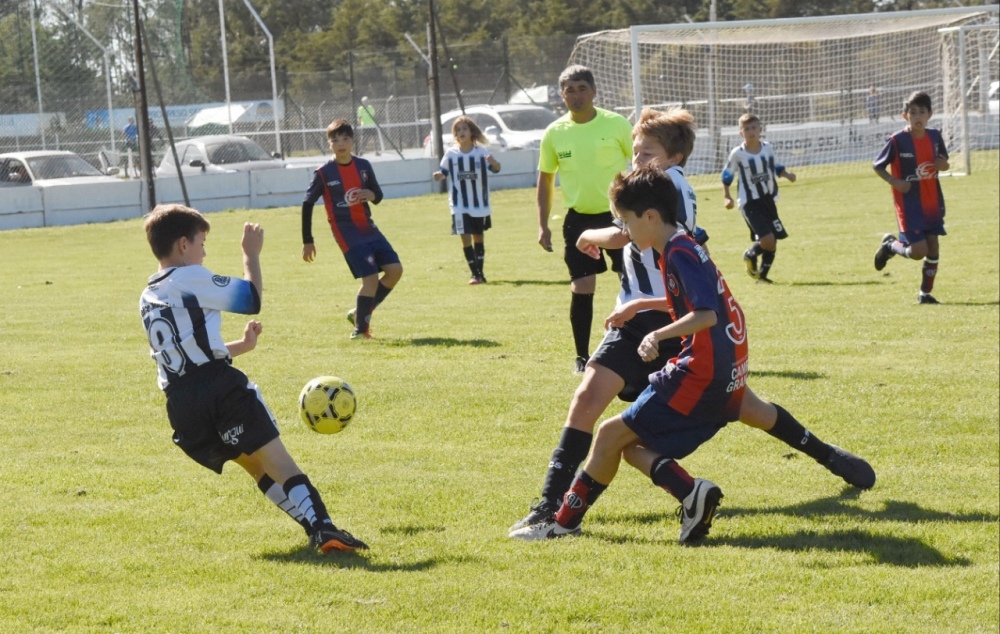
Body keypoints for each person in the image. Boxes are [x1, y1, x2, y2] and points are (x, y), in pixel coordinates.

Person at [510, 112, 875, 536]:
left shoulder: (665, 190)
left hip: (656, 319)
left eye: (648, 153)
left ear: (674, 158)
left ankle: (557, 511)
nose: (638, 161)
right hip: (657, 312)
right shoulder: (661, 193)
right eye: (636, 152)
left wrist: (589, 237)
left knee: (602, 413)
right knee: (735, 408)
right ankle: (827, 456)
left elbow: (632, 239)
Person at [139, 204, 368, 553]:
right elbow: (251, 298)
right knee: (278, 462)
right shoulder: (188, 277)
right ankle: (324, 528)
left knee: (257, 468)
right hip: (219, 389)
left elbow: (187, 354)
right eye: (202, 242)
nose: (204, 251)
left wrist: (242, 346)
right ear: (183, 245)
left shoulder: (148, 295)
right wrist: (250, 255)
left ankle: (315, 529)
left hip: (183, 403)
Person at [536, 65, 633, 374]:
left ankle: (633, 344)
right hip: (578, 221)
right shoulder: (554, 133)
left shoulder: (617, 124)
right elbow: (546, 180)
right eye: (569, 90)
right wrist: (542, 224)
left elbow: (642, 162)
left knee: (630, 281)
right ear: (561, 96)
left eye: (581, 88)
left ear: (593, 90)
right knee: (582, 287)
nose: (575, 95)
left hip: (619, 216)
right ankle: (582, 356)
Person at [301, 119, 402, 339]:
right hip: (346, 232)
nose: (341, 144)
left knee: (395, 270)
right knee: (371, 278)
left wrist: (371, 195)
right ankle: (360, 331)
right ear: (329, 144)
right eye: (335, 140)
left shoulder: (364, 166)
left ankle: (359, 313)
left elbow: (378, 194)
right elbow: (307, 203)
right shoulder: (323, 173)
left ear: (352, 141)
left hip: (369, 228)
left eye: (345, 139)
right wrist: (307, 240)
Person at [872, 91, 950, 304]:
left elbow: (943, 162)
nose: (917, 116)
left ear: (929, 114)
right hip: (908, 204)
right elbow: (877, 165)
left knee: (933, 247)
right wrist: (894, 181)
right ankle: (890, 246)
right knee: (918, 252)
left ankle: (925, 295)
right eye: (912, 112)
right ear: (905, 116)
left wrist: (944, 165)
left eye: (922, 112)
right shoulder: (897, 141)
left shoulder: (935, 136)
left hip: (932, 201)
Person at [722, 113, 797, 284]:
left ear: (760, 129)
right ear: (741, 133)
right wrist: (727, 197)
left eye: (754, 128)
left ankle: (762, 277)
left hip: (768, 200)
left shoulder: (768, 148)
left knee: (773, 241)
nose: (751, 131)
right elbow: (727, 176)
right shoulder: (737, 154)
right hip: (749, 202)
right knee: (767, 239)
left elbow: (776, 166)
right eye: (746, 129)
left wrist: (786, 174)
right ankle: (750, 255)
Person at [433, 116, 501, 285]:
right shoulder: (451, 153)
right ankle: (475, 274)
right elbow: (444, 172)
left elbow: (496, 169)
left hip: (479, 205)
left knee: (478, 237)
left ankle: (481, 273)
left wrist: (494, 163)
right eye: (458, 130)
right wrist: (439, 175)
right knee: (464, 236)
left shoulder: (481, 152)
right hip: (459, 204)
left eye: (464, 129)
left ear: (472, 132)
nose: (461, 132)